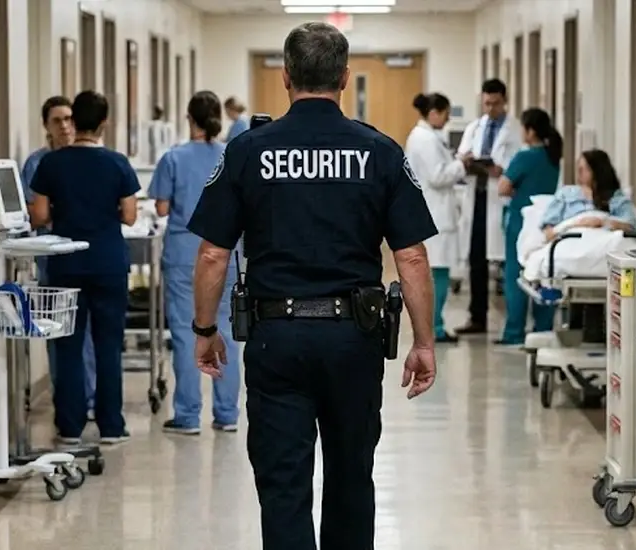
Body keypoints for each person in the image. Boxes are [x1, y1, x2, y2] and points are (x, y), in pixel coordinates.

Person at [185, 22, 438, 550]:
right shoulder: (380, 152)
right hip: (354, 338)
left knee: (283, 486)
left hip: (277, 339)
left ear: (286, 77)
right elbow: (410, 255)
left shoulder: (249, 150)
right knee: (350, 479)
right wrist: (424, 341)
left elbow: (212, 253)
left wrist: (205, 328)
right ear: (345, 78)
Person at [28, 91, 140, 445]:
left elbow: (40, 215)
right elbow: (131, 215)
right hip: (108, 263)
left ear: (73, 121)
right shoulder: (118, 163)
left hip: (66, 265)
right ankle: (110, 426)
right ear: (104, 124)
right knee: (108, 346)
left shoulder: (52, 164)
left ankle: (70, 426)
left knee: (68, 346)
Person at [148, 91, 241, 435]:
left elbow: (160, 208)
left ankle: (188, 415)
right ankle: (228, 414)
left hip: (186, 257)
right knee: (228, 333)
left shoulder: (174, 158)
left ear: (190, 119)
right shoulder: (232, 156)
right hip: (229, 256)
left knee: (188, 335)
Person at [21, 96, 97, 420]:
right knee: (58, 331)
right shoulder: (37, 163)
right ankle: (65, 399)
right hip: (51, 258)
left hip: (85, 254)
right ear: (46, 127)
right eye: (57, 121)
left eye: (68, 119)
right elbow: (32, 213)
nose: (64, 126)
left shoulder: (87, 158)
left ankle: (89, 398)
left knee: (88, 333)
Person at [454, 79, 523, 335]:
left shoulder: (514, 130)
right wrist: (467, 160)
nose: (490, 109)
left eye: (495, 103)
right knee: (476, 259)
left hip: (502, 198)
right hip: (478, 195)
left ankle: (512, 321)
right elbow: (462, 154)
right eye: (486, 103)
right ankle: (477, 318)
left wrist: (502, 170)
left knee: (507, 262)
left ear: (505, 101)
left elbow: (518, 164)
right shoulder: (475, 126)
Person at [405, 92, 469, 344]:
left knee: (437, 273)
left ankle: (435, 325)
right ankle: (435, 328)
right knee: (438, 273)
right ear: (434, 113)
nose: (447, 119)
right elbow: (437, 176)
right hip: (436, 214)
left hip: (435, 212)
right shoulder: (425, 139)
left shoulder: (425, 136)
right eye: (445, 114)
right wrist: (462, 163)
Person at [496, 107, 562, 347]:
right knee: (543, 274)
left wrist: (517, 190)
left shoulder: (524, 157)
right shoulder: (553, 156)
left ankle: (514, 332)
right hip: (548, 223)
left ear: (530, 131)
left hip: (522, 221)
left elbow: (503, 187)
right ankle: (542, 330)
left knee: (516, 275)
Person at [540, 149, 636, 241]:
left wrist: (601, 222)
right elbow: (549, 230)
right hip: (571, 240)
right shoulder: (565, 194)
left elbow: (631, 226)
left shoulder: (616, 198)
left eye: (585, 168)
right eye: (579, 167)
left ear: (599, 171)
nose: (579, 172)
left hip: (603, 242)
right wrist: (574, 224)